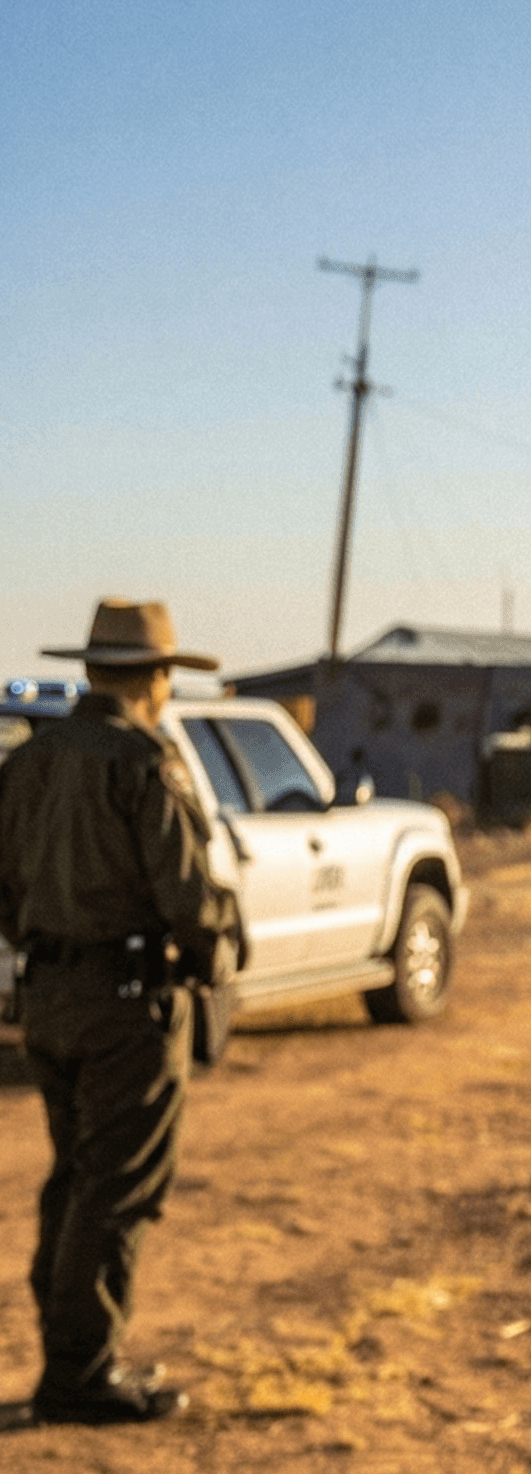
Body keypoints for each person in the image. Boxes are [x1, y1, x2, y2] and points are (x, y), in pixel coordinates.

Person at [0, 600, 238, 1424]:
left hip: (51, 995)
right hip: (127, 1005)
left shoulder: (30, 760)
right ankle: (80, 1372)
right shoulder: (142, 762)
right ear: (155, 677)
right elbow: (188, 895)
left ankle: (73, 1355)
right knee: (116, 1188)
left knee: (75, 1177)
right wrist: (216, 955)